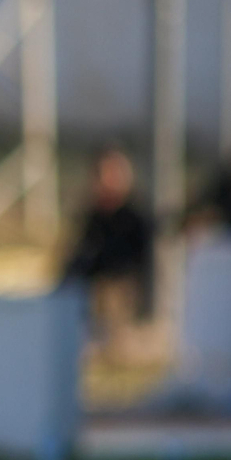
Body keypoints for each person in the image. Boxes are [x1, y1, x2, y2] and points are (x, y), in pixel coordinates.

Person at [64, 149, 152, 360]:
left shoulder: (134, 219)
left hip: (121, 296)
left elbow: (140, 267)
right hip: (89, 295)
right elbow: (76, 260)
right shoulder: (92, 218)